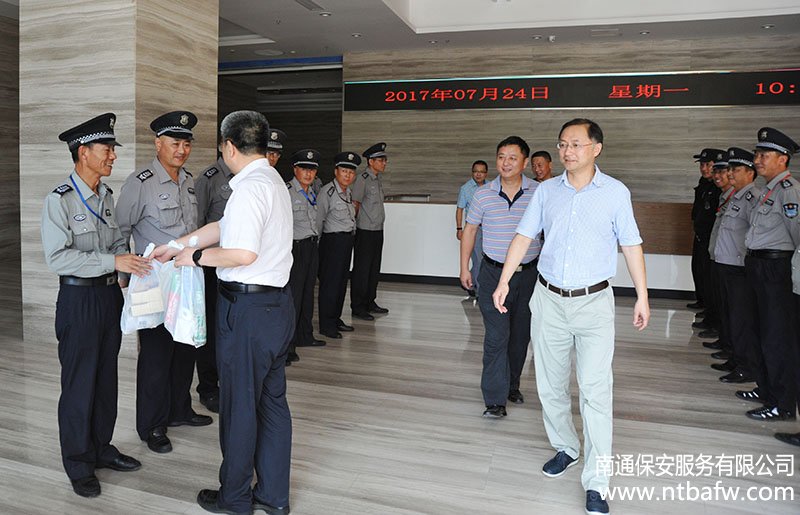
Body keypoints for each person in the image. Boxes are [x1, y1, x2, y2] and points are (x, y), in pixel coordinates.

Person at [493, 118, 649, 515]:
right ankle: (566, 446)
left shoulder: (615, 193)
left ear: (596, 148)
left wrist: (642, 296)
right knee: (550, 385)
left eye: (576, 144)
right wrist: (504, 281)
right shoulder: (546, 191)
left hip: (593, 303)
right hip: (548, 299)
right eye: (563, 144)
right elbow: (524, 236)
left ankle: (597, 481)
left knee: (595, 392)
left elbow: (631, 245)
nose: (567, 151)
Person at [153, 110, 294, 515]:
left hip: (248, 312)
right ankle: (273, 496)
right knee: (272, 404)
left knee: (239, 407)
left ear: (229, 146)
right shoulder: (270, 180)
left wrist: (195, 258)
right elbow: (223, 226)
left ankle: (234, 497)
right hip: (275, 307)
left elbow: (242, 252)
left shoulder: (249, 188)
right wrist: (180, 244)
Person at [41, 113, 150, 497]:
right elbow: (57, 258)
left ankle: (101, 448)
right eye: (107, 149)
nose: (113, 156)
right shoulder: (59, 200)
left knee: (105, 379)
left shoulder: (106, 195)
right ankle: (78, 462)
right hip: (79, 300)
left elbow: (116, 242)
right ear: (83, 152)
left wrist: (127, 266)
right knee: (79, 383)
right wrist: (112, 261)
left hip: (108, 297)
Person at [116, 110, 212, 455]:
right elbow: (121, 230)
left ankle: (179, 409)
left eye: (187, 144)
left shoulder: (189, 181)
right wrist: (124, 275)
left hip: (186, 276)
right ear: (158, 144)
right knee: (156, 354)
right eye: (175, 143)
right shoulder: (140, 183)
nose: (181, 150)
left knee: (185, 345)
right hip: (153, 280)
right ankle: (152, 424)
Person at [460, 136, 541, 418]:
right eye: (501, 157)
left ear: (524, 162)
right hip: (493, 273)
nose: (505, 163)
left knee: (520, 336)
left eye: (512, 158)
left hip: (528, 276)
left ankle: (511, 385)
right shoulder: (482, 195)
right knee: (497, 336)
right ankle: (495, 399)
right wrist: (464, 268)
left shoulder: (539, 193)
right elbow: (470, 230)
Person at [743, 127, 799, 422]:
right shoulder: (767, 190)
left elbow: (797, 239)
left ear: (783, 159)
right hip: (758, 267)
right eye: (757, 154)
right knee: (760, 332)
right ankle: (766, 390)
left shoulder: (790, 191)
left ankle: (783, 402)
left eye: (764, 155)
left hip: (777, 270)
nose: (757, 160)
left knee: (777, 337)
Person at [712, 148, 763, 386]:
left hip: (739, 268)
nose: (730, 173)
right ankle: (735, 358)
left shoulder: (753, 197)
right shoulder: (735, 196)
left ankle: (746, 367)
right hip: (726, 264)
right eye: (730, 169)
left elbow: (755, 234)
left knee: (742, 320)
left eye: (736, 169)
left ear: (750, 173)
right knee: (731, 316)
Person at [193, 154, 234, 413]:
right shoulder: (209, 179)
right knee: (209, 326)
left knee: (227, 325)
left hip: (234, 266)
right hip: (210, 264)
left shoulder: (245, 178)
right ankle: (208, 387)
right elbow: (198, 224)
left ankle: (226, 381)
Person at [286, 149, 327, 363]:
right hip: (296, 248)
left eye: (312, 169)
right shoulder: (286, 191)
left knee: (308, 293)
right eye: (304, 169)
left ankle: (305, 335)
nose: (308, 173)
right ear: (295, 169)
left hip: (311, 247)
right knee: (293, 297)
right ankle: (288, 345)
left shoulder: (313, 192)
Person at [317, 152, 361, 339]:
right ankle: (326, 325)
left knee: (341, 283)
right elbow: (318, 221)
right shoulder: (327, 192)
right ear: (336, 171)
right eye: (344, 171)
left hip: (346, 242)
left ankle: (335, 318)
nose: (348, 175)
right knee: (330, 284)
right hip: (332, 243)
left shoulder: (348, 192)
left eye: (351, 172)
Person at [350, 142, 389, 320]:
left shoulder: (377, 179)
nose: (384, 163)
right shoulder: (362, 179)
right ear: (371, 161)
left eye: (384, 160)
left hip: (377, 230)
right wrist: (353, 228)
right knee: (362, 270)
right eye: (381, 160)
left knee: (374, 269)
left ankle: (370, 301)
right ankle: (358, 306)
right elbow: (355, 204)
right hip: (364, 231)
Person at [706, 152, 736, 376]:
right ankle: (728, 347)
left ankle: (739, 360)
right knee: (725, 308)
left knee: (737, 314)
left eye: (726, 171)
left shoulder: (748, 197)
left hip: (737, 266)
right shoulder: (726, 196)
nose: (720, 175)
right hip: (722, 260)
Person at [689, 148, 723, 311]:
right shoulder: (703, 184)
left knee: (709, 273)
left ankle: (710, 309)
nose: (704, 168)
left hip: (712, 237)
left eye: (708, 165)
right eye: (701, 165)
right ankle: (702, 301)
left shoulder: (719, 187)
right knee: (698, 269)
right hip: (700, 235)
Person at [455, 160, 489, 297]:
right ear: (472, 172)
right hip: (474, 230)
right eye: (476, 171)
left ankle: (471, 283)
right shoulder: (466, 189)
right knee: (478, 260)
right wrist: (459, 228)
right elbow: (459, 209)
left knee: (485, 260)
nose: (478, 174)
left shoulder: (492, 187)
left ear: (486, 173)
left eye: (481, 172)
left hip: (489, 229)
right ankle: (480, 291)